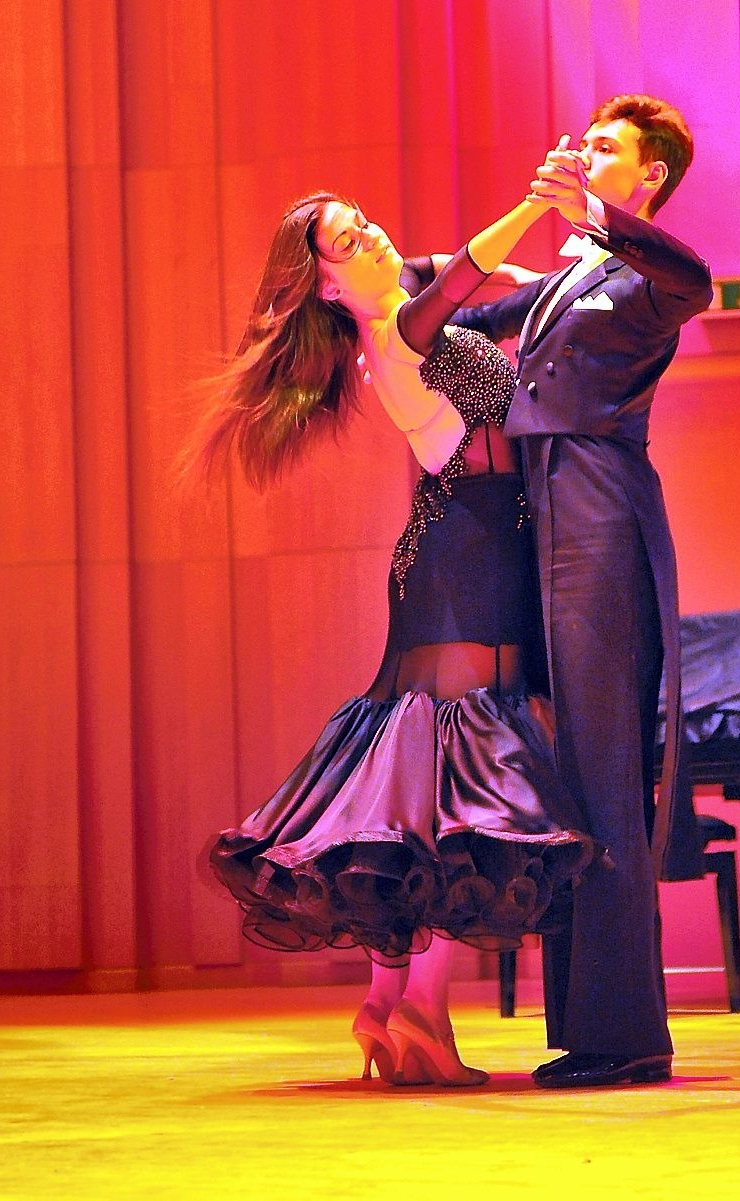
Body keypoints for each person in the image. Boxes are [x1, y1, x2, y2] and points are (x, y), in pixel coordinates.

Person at [184, 187, 605, 1087]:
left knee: (419, 781)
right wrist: (535, 202)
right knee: (468, 779)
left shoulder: (411, 298)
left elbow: (497, 288)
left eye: (363, 220)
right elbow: (469, 274)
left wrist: (580, 268)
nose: (370, 232)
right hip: (471, 552)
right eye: (347, 239)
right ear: (326, 286)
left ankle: (385, 1002)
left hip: (456, 548)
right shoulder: (397, 330)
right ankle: (423, 1008)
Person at [441, 95, 713, 1088]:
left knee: (602, 767)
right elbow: (444, 316)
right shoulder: (566, 277)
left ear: (648, 175)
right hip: (542, 509)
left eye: (606, 147)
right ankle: (591, 1029)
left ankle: (626, 1033)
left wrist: (588, 214)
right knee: (566, 768)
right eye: (585, 141)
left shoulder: (645, 273)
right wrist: (363, 277)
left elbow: (696, 279)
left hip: (600, 504)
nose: (584, 152)